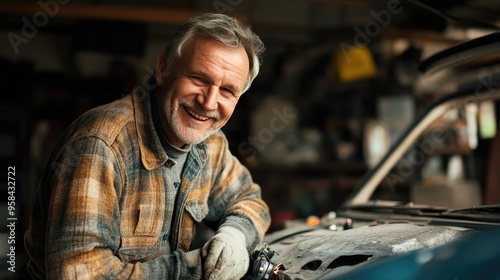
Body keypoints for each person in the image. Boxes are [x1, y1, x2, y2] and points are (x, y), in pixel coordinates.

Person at [22, 13, 271, 279]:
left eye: (227, 91)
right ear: (163, 69)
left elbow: (250, 201)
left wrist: (233, 236)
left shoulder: (210, 143)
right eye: (199, 79)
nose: (209, 103)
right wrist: (189, 269)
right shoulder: (100, 145)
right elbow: (78, 273)